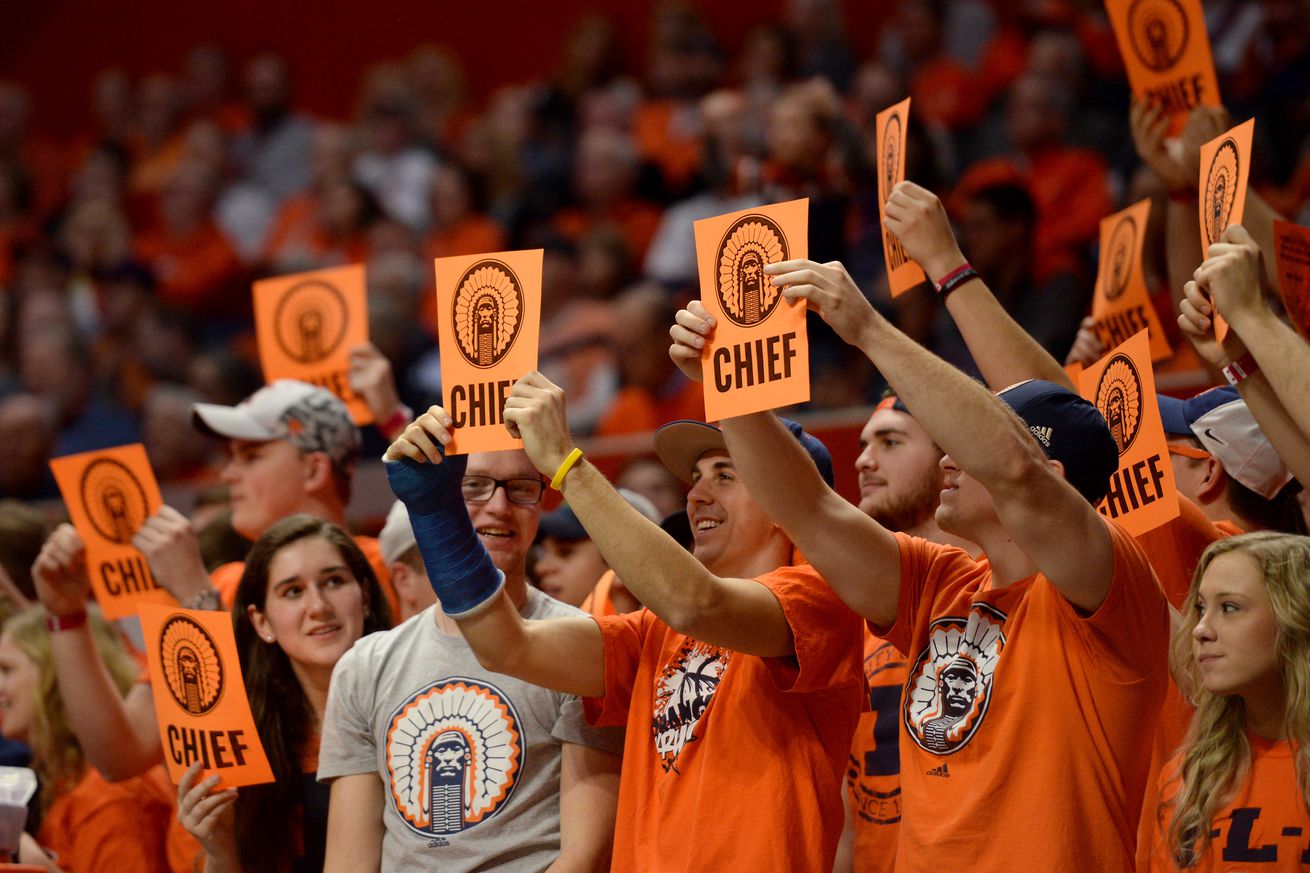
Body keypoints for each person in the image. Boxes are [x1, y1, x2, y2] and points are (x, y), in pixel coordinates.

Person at [669, 257, 1169, 870]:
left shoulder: (1112, 581)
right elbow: (810, 510)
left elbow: (1013, 468)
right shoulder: (941, 583)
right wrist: (733, 391)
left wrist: (869, 330)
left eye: (973, 435)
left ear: (1056, 481)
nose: (949, 455)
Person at [383, 373, 864, 871]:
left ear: (793, 500)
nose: (696, 493)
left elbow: (697, 603)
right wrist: (438, 516)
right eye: (695, 477)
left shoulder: (823, 600)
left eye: (725, 474)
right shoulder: (655, 631)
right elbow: (507, 646)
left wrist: (567, 463)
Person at [317, 451, 623, 872]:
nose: (499, 506)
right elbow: (349, 864)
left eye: (520, 488)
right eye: (474, 486)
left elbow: (584, 857)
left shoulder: (585, 644)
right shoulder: (365, 666)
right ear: (440, 497)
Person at [176, 514, 391, 873]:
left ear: (365, 597)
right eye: (293, 591)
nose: (319, 606)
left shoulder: (419, 711)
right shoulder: (244, 748)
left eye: (334, 581)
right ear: (262, 622)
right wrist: (220, 851)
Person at [834, 393, 977, 873]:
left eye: (890, 442)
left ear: (951, 458)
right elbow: (846, 802)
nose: (863, 460)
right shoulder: (850, 614)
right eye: (863, 443)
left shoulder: (1006, 595)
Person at [1145, 532, 1310, 871]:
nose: (1200, 629)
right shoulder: (1188, 779)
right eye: (1202, 608)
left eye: (1230, 608)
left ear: (1295, 618)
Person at [0, 606, 174, 873]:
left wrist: (35, 863)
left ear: (55, 677)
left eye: (7, 670)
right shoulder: (69, 777)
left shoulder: (109, 792)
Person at [534, 488, 660, 608]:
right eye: (542, 553)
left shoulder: (669, 630)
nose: (541, 568)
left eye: (565, 553)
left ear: (626, 563)